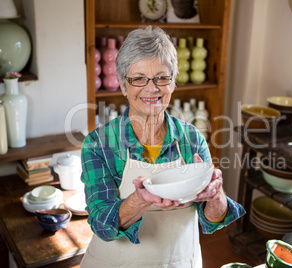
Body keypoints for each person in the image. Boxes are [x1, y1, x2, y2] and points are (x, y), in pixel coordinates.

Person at [80, 26, 246, 268]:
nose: (152, 88)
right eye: (138, 78)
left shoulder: (192, 139)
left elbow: (212, 220)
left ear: (172, 83)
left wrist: (215, 194)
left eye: (161, 77)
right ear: (123, 86)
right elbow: (102, 225)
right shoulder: (98, 144)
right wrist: (141, 199)